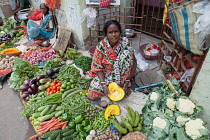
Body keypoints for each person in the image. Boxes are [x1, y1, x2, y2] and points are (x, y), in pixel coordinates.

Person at [87, 20, 137, 100]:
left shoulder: (125, 43)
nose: (113, 35)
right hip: (106, 75)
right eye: (110, 32)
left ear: (120, 32)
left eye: (116, 31)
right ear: (106, 34)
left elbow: (134, 62)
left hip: (122, 75)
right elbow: (97, 66)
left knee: (127, 54)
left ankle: (122, 82)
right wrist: (103, 84)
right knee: (92, 94)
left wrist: (127, 80)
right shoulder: (101, 46)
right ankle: (114, 85)